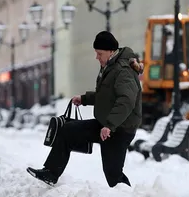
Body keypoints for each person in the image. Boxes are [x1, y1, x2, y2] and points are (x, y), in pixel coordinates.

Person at [27, 31, 143, 188]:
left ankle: (129, 194)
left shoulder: (123, 71)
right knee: (67, 131)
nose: (97, 57)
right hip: (107, 124)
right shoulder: (111, 66)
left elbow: (126, 101)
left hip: (120, 129)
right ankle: (50, 173)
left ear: (110, 51)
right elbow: (107, 95)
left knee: (113, 175)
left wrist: (110, 125)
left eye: (99, 53)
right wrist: (84, 99)